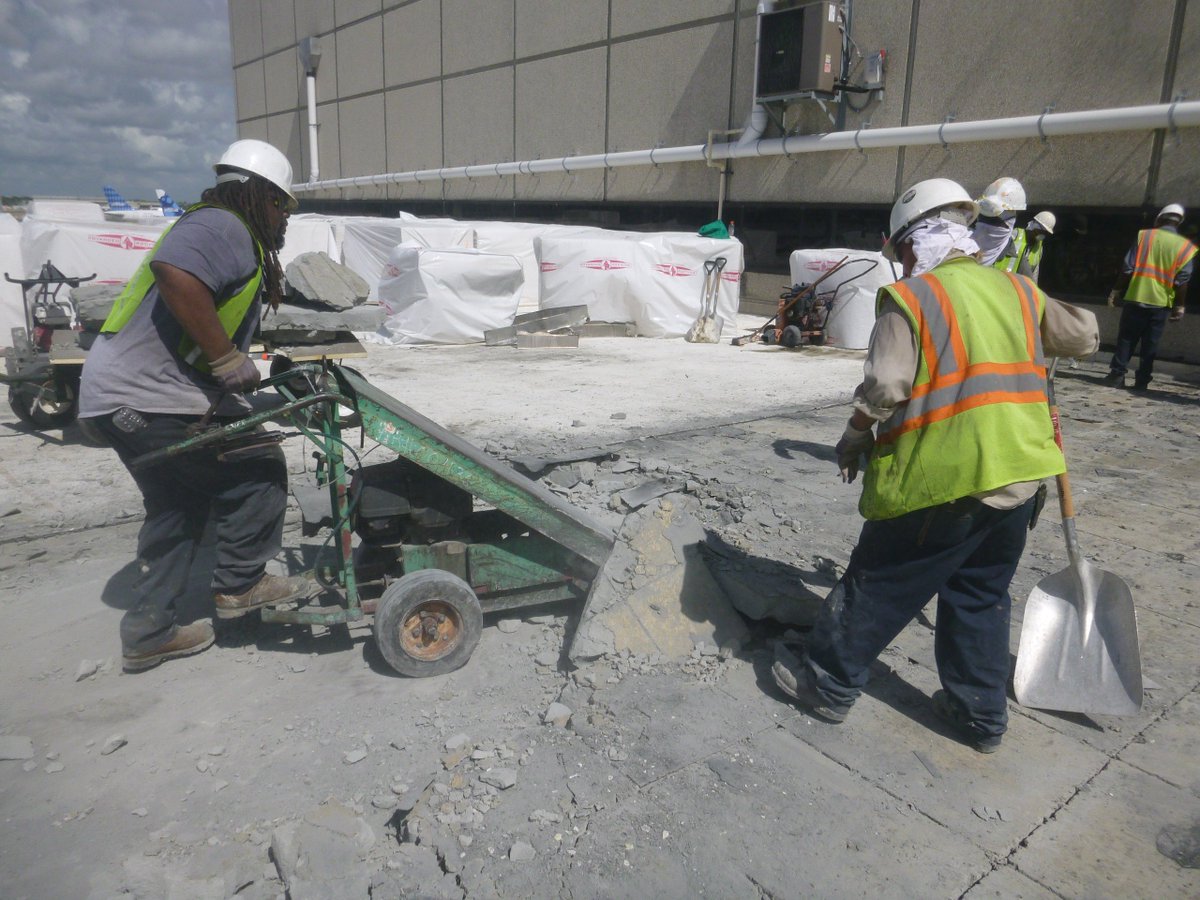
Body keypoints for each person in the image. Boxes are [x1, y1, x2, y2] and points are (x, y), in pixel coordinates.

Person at [771, 178, 1098, 753]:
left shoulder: (912, 298)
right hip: (1020, 479)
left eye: (898, 250)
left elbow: (885, 386)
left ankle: (826, 682)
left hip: (946, 481)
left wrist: (853, 436)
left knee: (879, 582)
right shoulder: (1018, 290)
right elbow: (1087, 336)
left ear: (909, 243)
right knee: (979, 596)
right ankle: (979, 716)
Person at [79, 139, 310, 672]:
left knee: (177, 504)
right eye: (284, 206)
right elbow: (175, 272)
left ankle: (149, 633)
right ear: (263, 195)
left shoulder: (220, 225)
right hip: (148, 396)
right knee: (257, 466)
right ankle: (243, 584)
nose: (285, 219)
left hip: (119, 395)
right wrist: (225, 356)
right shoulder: (225, 225)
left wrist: (240, 373)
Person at [1103, 203, 1196, 390]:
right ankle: (1142, 381)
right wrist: (1179, 307)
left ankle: (1117, 375)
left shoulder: (1144, 236)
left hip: (1136, 296)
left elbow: (1127, 269)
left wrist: (1116, 291)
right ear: (1179, 223)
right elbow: (1182, 281)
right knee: (1150, 344)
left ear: (1159, 219)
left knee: (1127, 339)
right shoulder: (1186, 247)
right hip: (1161, 304)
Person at [972, 176, 1034, 277]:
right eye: (984, 218)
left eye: (995, 221)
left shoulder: (1018, 263)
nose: (987, 226)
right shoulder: (957, 246)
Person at [1022, 211, 1056, 283]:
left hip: (1020, 285)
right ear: (1035, 227)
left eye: (1046, 233)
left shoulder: (1039, 248)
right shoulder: (1015, 235)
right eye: (1042, 231)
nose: (1043, 235)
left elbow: (1034, 273)